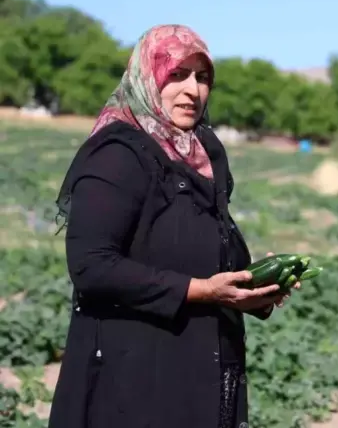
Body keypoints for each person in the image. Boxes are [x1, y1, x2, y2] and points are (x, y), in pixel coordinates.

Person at [48, 24, 298, 428]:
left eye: (202, 78)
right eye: (177, 74)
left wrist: (252, 288)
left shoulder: (206, 152)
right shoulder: (117, 155)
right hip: (133, 377)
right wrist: (202, 291)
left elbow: (206, 250)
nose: (192, 90)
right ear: (148, 78)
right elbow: (91, 266)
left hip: (205, 366)